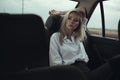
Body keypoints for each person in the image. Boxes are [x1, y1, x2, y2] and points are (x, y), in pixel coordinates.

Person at [49, 9, 120, 80]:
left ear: (78, 24)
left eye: (76, 20)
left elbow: (82, 11)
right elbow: (56, 65)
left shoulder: (78, 37)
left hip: (85, 69)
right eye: (69, 18)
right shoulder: (56, 37)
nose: (72, 21)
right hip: (72, 72)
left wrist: (60, 12)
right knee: (115, 62)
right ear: (65, 20)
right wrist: (58, 13)